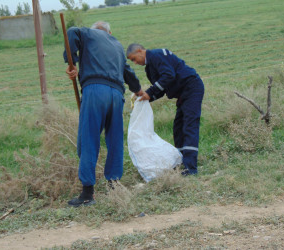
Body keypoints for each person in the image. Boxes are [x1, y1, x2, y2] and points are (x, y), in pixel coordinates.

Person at [64, 22, 142, 207]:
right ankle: (114, 186)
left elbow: (72, 32)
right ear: (109, 32)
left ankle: (87, 194)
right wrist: (138, 90)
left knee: (89, 139)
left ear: (94, 30)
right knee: (114, 140)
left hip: (95, 90)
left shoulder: (87, 33)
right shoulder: (116, 45)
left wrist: (71, 62)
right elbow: (127, 72)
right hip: (116, 94)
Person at [126, 44, 204, 176]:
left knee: (189, 125)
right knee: (178, 128)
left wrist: (149, 92)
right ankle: (181, 162)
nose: (134, 63)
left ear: (140, 51)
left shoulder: (157, 55)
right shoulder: (149, 69)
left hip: (191, 88)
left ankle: (191, 168)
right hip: (182, 94)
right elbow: (162, 89)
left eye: (134, 59)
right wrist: (145, 98)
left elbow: (168, 75)